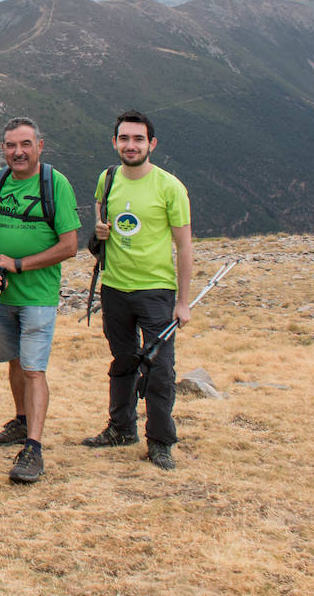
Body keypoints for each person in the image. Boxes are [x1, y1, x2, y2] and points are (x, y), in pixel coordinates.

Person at [82, 109, 193, 471]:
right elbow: (100, 210)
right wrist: (99, 229)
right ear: (115, 142)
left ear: (152, 144)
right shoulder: (108, 178)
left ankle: (160, 442)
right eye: (124, 139)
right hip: (114, 287)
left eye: (138, 139)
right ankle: (121, 428)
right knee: (123, 361)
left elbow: (185, 246)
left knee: (160, 369)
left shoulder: (170, 187)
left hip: (156, 291)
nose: (131, 145)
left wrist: (183, 302)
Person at [0, 117, 79, 484]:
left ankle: (33, 448)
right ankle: (21, 422)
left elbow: (69, 245)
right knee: (15, 362)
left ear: (40, 145)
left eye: (24, 144)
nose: (17, 152)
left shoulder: (56, 184)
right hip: (2, 294)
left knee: (34, 369)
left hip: (38, 295)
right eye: (10, 145)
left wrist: (18, 265)